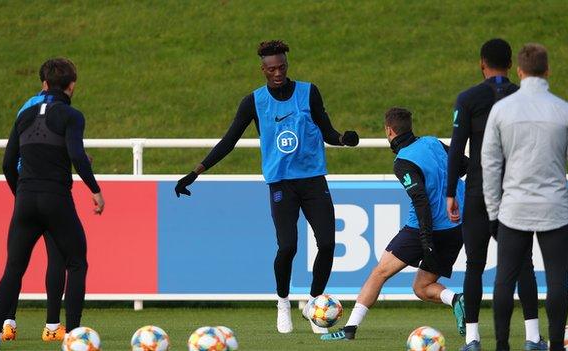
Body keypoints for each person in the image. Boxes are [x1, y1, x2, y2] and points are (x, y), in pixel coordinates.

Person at [174, 40, 359, 334]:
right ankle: (283, 302)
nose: (278, 73)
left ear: (287, 65)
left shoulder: (308, 92)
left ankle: (314, 305)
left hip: (312, 180)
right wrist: (195, 172)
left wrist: (343, 140)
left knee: (326, 244)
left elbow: (327, 131)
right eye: (271, 69)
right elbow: (229, 140)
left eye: (282, 67)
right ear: (262, 69)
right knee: (287, 247)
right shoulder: (254, 102)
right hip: (281, 184)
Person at [0, 58, 105, 350]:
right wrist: (95, 189)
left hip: (25, 199)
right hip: (56, 199)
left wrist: (22, 194)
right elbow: (76, 156)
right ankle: (74, 335)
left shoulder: (24, 116)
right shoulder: (72, 115)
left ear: (43, 83)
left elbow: (6, 163)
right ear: (72, 85)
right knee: (76, 262)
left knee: (13, 268)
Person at [321, 107, 466, 341]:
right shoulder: (433, 143)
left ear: (389, 130)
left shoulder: (403, 161)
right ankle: (457, 299)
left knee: (380, 273)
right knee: (422, 287)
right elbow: (464, 166)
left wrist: (426, 243)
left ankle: (349, 330)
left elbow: (421, 202)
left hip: (423, 228)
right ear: (410, 126)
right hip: (455, 226)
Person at [482, 43, 568, 351]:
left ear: (519, 70)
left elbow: (489, 164)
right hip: (553, 208)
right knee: (557, 281)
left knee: (504, 280)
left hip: (513, 208)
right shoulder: (564, 110)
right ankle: (556, 345)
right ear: (547, 70)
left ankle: (502, 345)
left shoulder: (502, 110)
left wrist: (493, 211)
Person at [447, 38, 545, 351]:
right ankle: (532, 338)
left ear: (481, 63)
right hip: (515, 191)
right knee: (524, 264)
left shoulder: (469, 98)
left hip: (477, 191)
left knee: (474, 265)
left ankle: (473, 339)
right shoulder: (524, 98)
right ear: (511, 65)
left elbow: (456, 148)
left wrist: (451, 192)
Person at [0, 82, 70, 343]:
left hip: (26, 187)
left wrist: (18, 191)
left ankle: (5, 324)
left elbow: (10, 158)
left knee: (15, 263)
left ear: (43, 83)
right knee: (57, 256)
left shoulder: (26, 108)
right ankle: (52, 326)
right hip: (51, 188)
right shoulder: (61, 111)